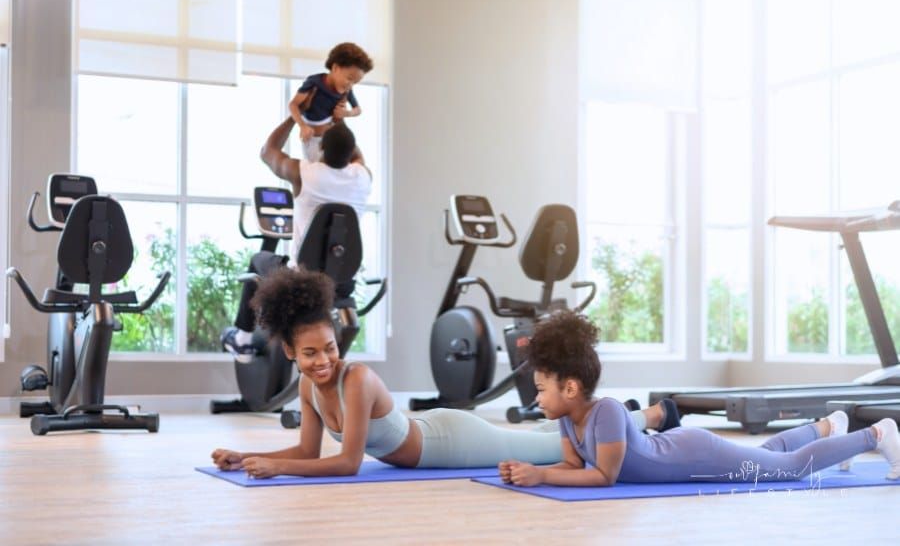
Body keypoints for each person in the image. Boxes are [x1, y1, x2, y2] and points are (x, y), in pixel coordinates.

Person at [211, 268, 678, 477]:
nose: (323, 360)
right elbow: (306, 451)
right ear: (290, 351)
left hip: (449, 442)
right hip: (428, 432)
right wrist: (248, 455)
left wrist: (277, 468)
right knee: (548, 432)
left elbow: (348, 464)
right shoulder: (310, 389)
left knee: (544, 443)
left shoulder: (355, 380)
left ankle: (652, 417)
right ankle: (637, 417)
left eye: (329, 347)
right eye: (310, 353)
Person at [499, 311, 900, 487]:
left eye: (540, 390)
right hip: (680, 449)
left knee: (790, 469)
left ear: (570, 388)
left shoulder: (606, 411)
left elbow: (604, 477)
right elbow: (572, 465)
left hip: (693, 454)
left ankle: (878, 435)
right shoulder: (570, 417)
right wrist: (528, 469)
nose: (537, 399)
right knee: (768, 453)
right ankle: (829, 428)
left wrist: (541, 476)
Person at [221, 117, 372, 362]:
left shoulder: (306, 173)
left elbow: (267, 152)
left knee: (258, 259)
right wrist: (339, 121)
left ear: (321, 149)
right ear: (350, 151)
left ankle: (243, 340)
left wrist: (295, 118)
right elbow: (355, 153)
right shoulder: (363, 177)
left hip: (301, 281)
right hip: (342, 283)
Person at [288, 42, 373, 162]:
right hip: (312, 138)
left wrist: (346, 113)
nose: (351, 85)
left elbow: (358, 110)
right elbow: (293, 105)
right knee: (317, 171)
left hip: (333, 137)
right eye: (349, 78)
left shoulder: (346, 90)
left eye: (355, 82)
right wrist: (302, 125)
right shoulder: (314, 82)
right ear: (335, 68)